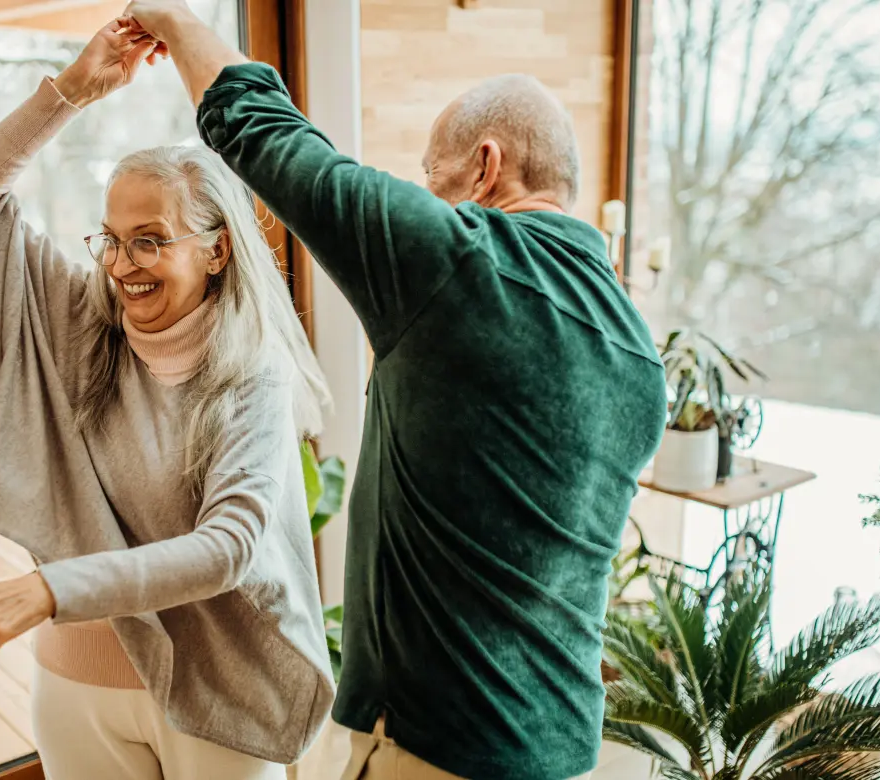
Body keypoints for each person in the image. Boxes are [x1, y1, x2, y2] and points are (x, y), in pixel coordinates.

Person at [122, 3, 670, 779]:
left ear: (485, 166)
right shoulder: (638, 354)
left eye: (432, 177)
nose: (427, 195)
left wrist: (175, 23)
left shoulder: (458, 262)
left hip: (434, 750)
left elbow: (264, 131)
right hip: (561, 748)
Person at [0, 18, 334, 780]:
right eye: (111, 239)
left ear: (216, 248)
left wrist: (48, 587)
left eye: (150, 239)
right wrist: (73, 90)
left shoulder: (253, 374)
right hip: (77, 685)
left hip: (216, 687)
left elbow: (231, 545)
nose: (122, 265)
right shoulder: (79, 319)